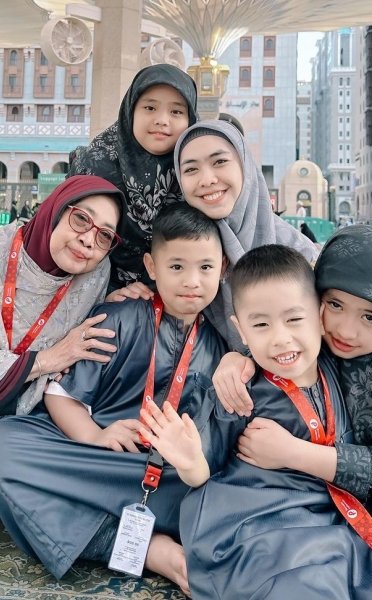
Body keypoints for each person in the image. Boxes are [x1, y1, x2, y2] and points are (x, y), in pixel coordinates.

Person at [0, 203, 225, 592]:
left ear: (224, 269)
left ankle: (127, 533)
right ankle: (151, 550)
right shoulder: (119, 316)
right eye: (176, 267)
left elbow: (217, 447)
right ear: (151, 268)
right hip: (97, 461)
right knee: (6, 441)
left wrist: (190, 462)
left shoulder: (223, 350)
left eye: (206, 268)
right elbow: (61, 394)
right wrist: (93, 436)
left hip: (172, 478)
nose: (192, 281)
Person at [175, 245, 372, 598]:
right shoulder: (243, 386)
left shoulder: (364, 369)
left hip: (330, 519)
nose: (281, 337)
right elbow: (206, 460)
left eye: (294, 319)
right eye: (261, 325)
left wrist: (292, 452)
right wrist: (190, 461)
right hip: (258, 523)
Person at [210, 225, 372, 543]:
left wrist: (294, 453)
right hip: (300, 508)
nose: (346, 330)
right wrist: (237, 358)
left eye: (370, 316)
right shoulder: (309, 346)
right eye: (335, 305)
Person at [167, 120, 319, 350]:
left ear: (245, 167)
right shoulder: (180, 251)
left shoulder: (299, 253)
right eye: (190, 169)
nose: (207, 179)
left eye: (220, 162)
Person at [0, 176, 127, 414]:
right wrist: (47, 360)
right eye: (81, 218)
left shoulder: (94, 278)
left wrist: (111, 306)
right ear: (54, 212)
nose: (89, 240)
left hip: (32, 425)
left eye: (105, 235)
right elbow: (58, 357)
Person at [69, 64, 198, 290]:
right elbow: (64, 241)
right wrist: (105, 296)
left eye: (176, 111)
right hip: (96, 304)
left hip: (183, 302)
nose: (162, 120)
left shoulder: (198, 173)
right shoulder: (93, 165)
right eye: (149, 108)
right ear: (131, 112)